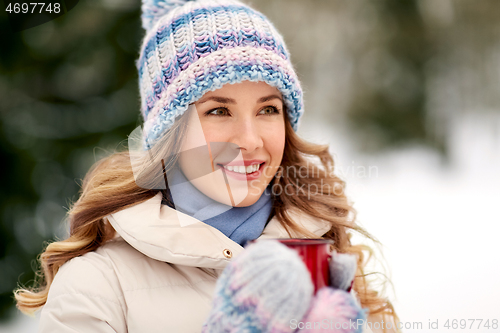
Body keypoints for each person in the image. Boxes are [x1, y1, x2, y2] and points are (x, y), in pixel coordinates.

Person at [14, 0, 399, 332]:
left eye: (268, 109)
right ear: (171, 132)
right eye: (218, 110)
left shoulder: (322, 255)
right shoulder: (96, 285)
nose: (250, 140)